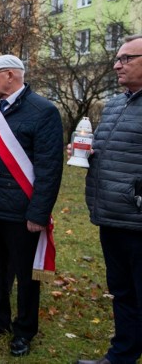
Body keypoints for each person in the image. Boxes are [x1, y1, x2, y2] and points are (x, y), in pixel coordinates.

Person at [0, 55, 63, 357]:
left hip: (22, 213)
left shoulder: (43, 111)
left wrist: (38, 213)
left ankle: (24, 330)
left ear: (10, 75)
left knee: (25, 275)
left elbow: (49, 168)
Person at [76, 35, 142, 364]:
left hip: (138, 221)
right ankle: (122, 356)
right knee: (123, 293)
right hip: (111, 218)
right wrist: (84, 153)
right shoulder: (115, 104)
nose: (117, 65)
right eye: (117, 59)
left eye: (127, 58)